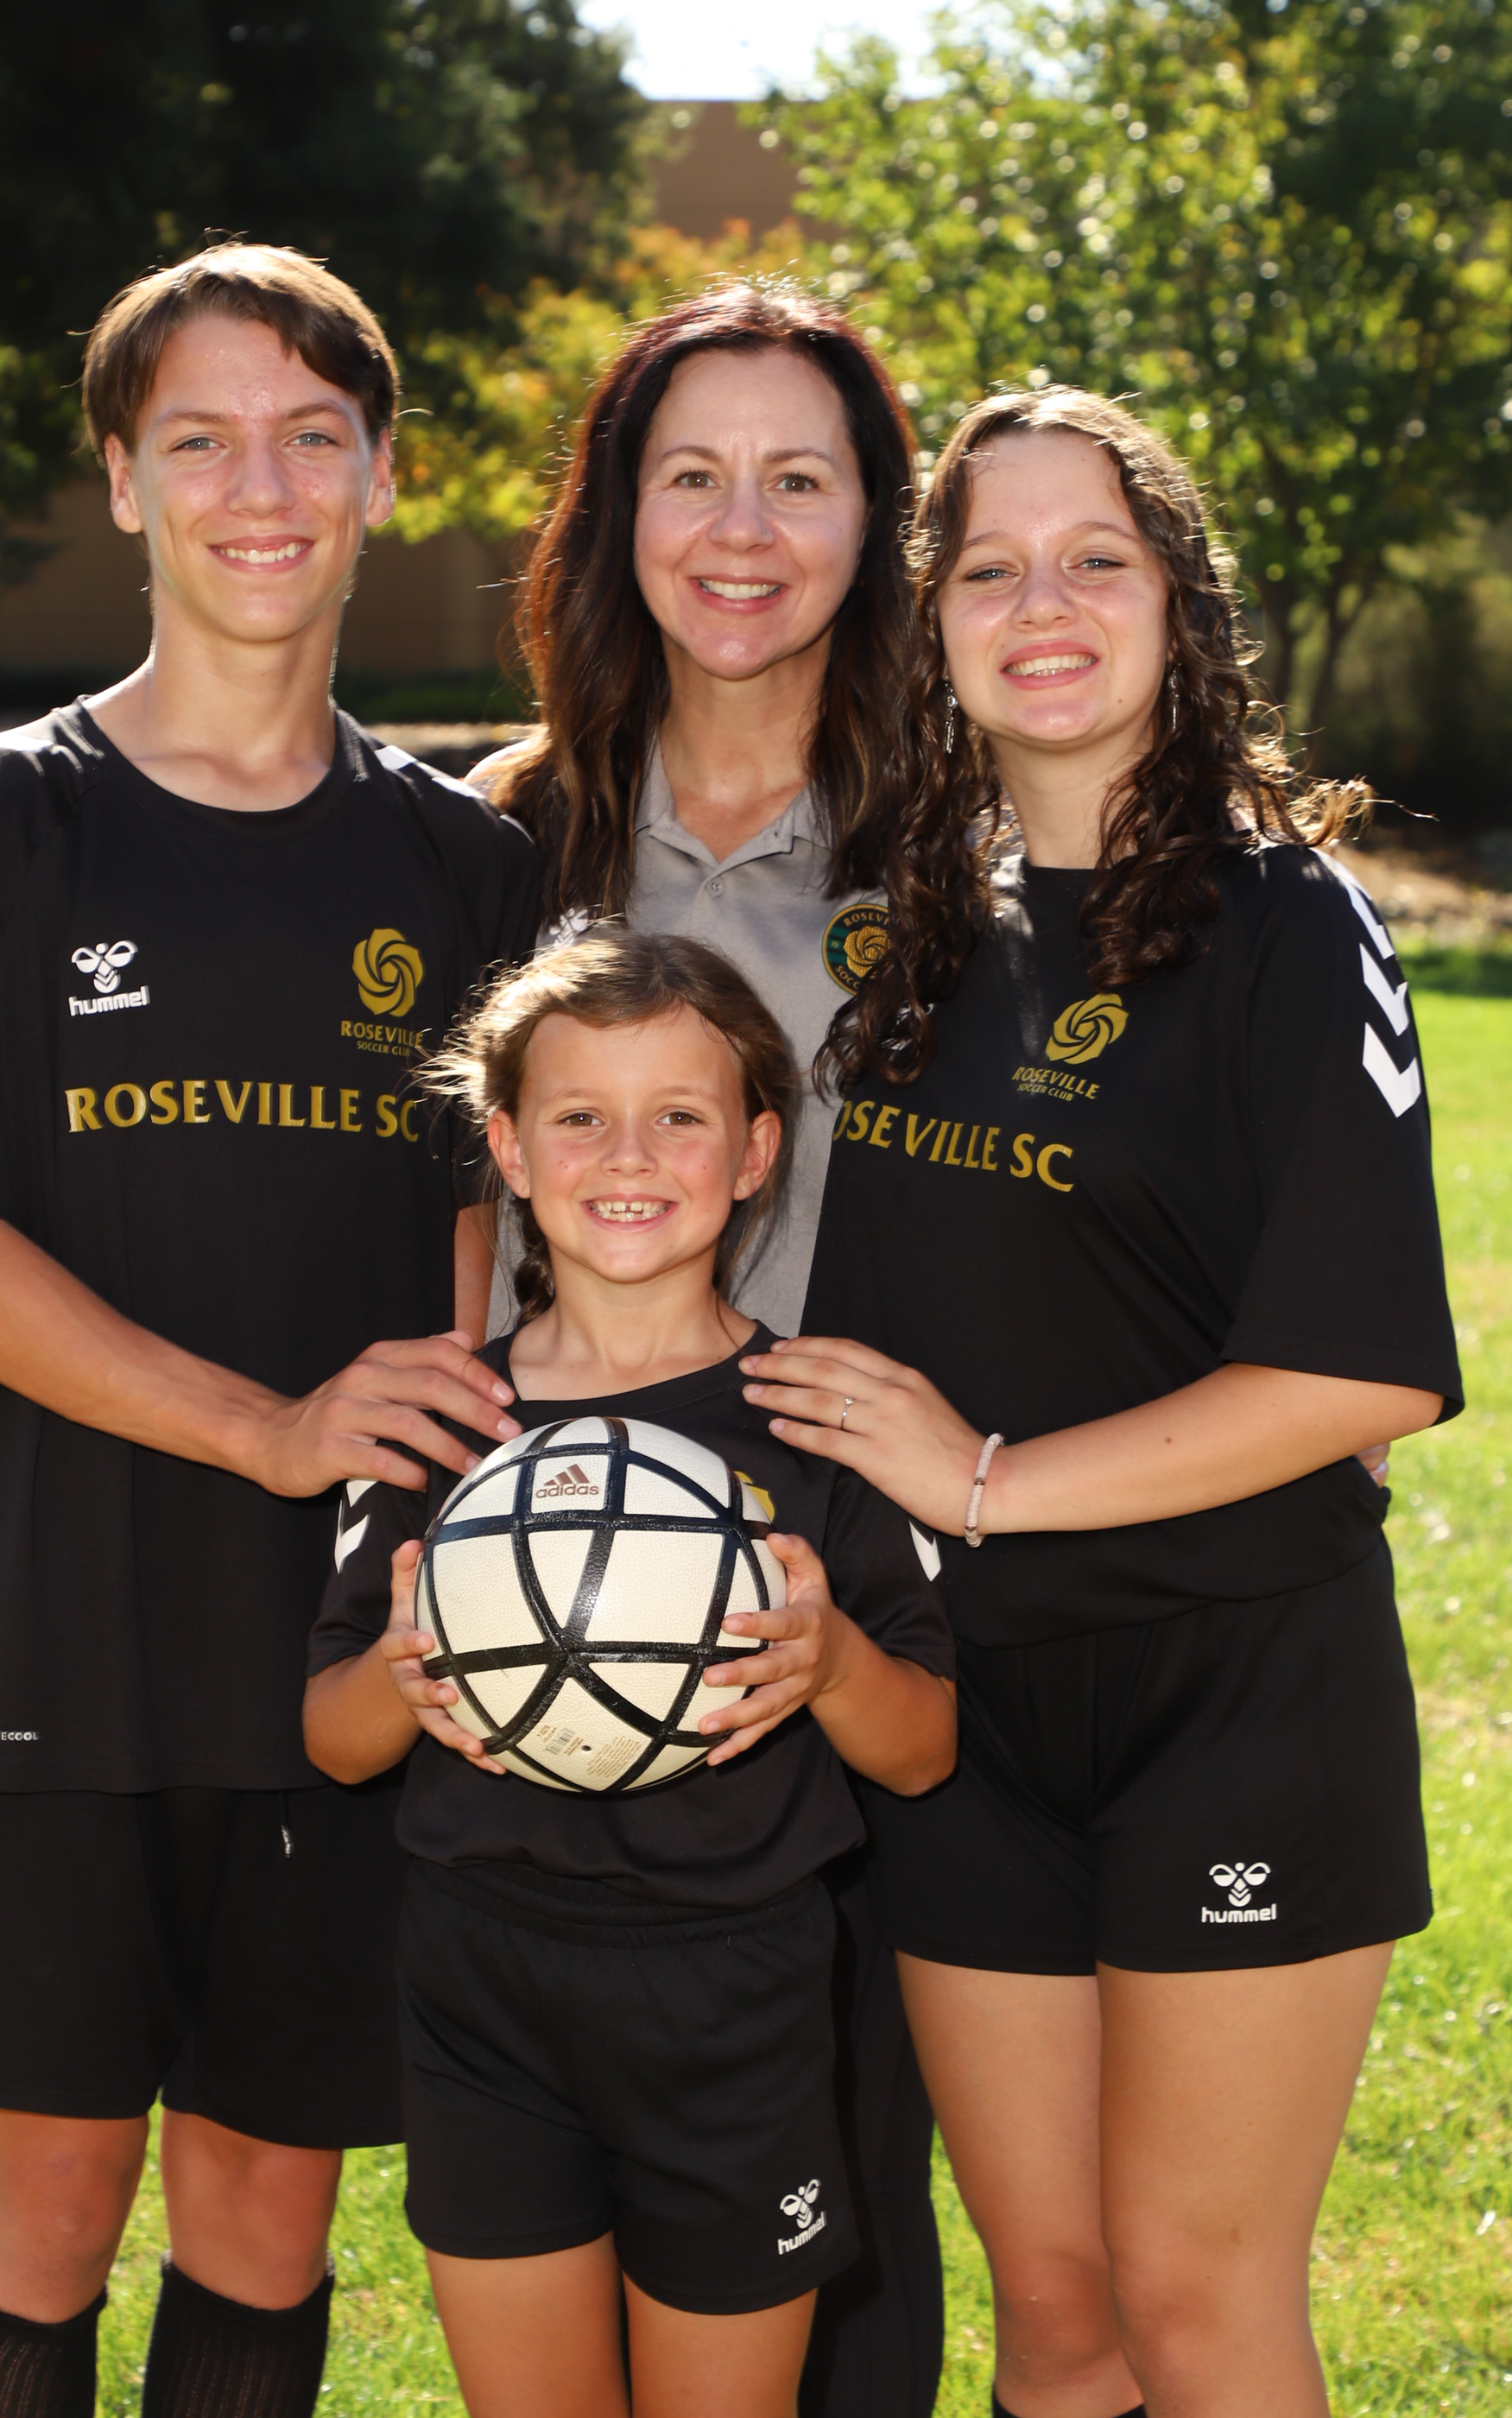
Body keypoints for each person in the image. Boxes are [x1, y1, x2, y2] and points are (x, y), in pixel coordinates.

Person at [0, 241, 538, 2418]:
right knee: (41, 2201)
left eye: (312, 436)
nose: (261, 487)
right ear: (123, 483)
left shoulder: (465, 869)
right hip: (61, 1632)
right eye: (200, 439)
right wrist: (266, 1426)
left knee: (262, 2210)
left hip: (338, 1660)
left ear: (385, 475)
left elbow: (477, 1251)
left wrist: (440, 1526)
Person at [743, 388, 1461, 2418]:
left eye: (1093, 560)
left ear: (1179, 603)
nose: (1038, 605)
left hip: (1230, 1691)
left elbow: (1362, 1371)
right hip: (969, 1712)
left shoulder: (1288, 925)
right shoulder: (914, 925)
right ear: (931, 622)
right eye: (987, 568)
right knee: (1057, 2312)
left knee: (1195, 2299)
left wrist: (978, 1475)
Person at [469, 283, 948, 2415]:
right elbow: (442, 1204)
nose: (741, 529)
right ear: (616, 514)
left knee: (842, 2214)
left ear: (875, 523)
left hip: (869, 1578)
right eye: (691, 474)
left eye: (798, 477)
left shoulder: (962, 849)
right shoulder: (503, 833)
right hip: (564, 1583)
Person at [303, 928, 958, 2418]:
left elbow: (922, 1749)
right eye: (580, 1116)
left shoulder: (819, 1417)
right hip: (479, 1983)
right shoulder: (441, 1421)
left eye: (680, 1115)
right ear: (508, 1150)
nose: (629, 1156)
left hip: (735, 1988)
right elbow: (332, 1739)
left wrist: (828, 1663)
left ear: (757, 1151)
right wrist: (403, 1673)